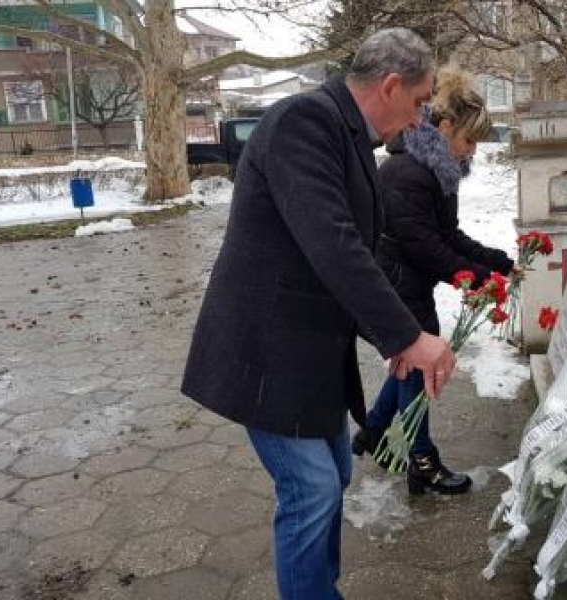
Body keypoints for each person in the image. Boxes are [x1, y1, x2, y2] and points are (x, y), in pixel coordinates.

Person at [181, 28, 457, 600]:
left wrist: (396, 338)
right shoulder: (303, 123)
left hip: (307, 354)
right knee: (311, 490)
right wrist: (406, 336)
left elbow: (357, 250)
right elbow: (333, 243)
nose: (419, 120)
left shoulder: (345, 134)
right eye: (419, 102)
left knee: (333, 477)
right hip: (266, 353)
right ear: (390, 85)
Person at [352, 66, 515, 495]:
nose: (472, 151)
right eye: (469, 140)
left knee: (408, 365)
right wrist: (476, 277)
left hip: (410, 278)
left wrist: (493, 260)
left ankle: (372, 431)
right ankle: (422, 459)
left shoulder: (438, 169)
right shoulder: (409, 172)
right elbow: (425, 246)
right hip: (395, 281)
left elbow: (447, 235)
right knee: (418, 363)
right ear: (443, 128)